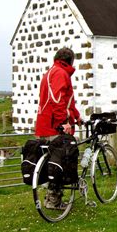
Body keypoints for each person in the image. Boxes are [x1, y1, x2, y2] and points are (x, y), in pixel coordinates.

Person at [35, 47, 82, 209]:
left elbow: (68, 101)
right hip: (54, 127)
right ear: (70, 60)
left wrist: (77, 117)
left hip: (43, 125)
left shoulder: (50, 72)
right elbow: (57, 99)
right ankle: (53, 201)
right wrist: (63, 123)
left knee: (52, 162)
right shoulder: (61, 73)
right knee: (62, 161)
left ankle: (50, 196)